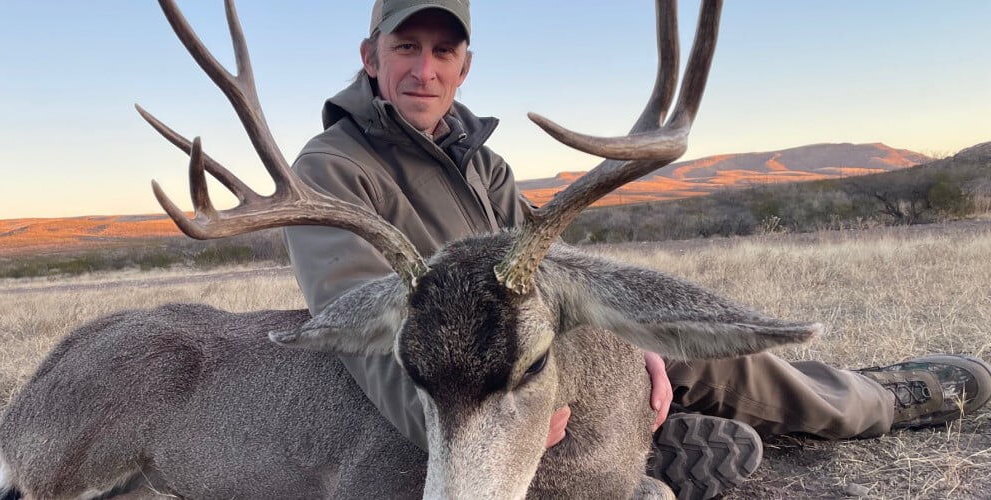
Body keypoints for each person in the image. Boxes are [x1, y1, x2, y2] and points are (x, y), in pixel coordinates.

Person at [283, 0, 991, 496]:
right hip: (461, 395)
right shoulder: (331, 169)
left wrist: (629, 340)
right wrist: (477, 433)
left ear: (464, 67)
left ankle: (874, 402)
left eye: (442, 52)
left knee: (694, 355)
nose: (423, 70)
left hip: (540, 360)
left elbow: (551, 272)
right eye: (405, 47)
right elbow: (354, 319)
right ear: (370, 57)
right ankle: (629, 456)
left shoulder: (484, 166)